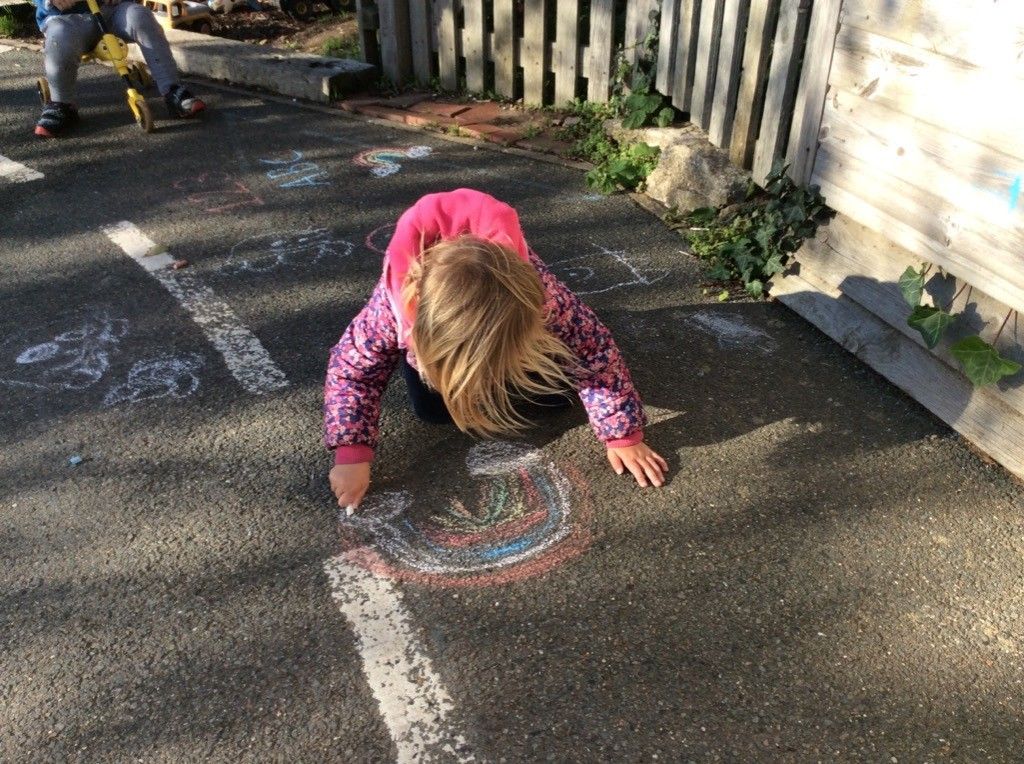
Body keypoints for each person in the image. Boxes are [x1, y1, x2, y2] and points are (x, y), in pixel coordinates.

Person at [324, 188, 670, 513]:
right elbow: (352, 372)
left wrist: (622, 434)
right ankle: (447, 366)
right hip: (428, 327)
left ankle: (502, 362)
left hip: (507, 308)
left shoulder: (546, 300)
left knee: (555, 398)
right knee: (434, 410)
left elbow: (595, 352)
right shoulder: (390, 311)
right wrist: (352, 453)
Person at [33, 0, 205, 137]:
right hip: (68, 19)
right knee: (60, 37)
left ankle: (172, 89)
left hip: (111, 10)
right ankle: (61, 103)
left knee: (140, 16)